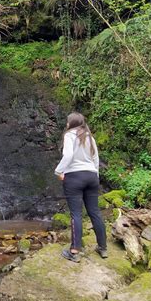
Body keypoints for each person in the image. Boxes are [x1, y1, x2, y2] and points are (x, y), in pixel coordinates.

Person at [55, 112, 107, 263]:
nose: (66, 124)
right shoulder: (90, 137)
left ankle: (74, 251)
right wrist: (95, 175)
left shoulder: (69, 135)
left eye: (67, 122)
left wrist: (59, 171)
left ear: (70, 123)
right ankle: (102, 247)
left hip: (74, 177)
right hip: (91, 176)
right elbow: (95, 158)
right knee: (95, 212)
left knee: (76, 214)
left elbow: (68, 155)